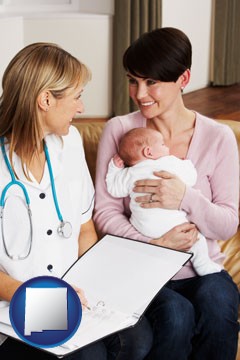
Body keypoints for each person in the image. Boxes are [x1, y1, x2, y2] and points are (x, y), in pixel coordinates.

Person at [94, 27, 240, 359]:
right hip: (142, 267)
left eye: (151, 82)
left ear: (183, 78)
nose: (140, 93)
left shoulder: (219, 138)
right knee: (174, 317)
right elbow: (105, 212)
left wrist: (184, 198)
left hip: (202, 269)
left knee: (218, 305)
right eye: (133, 80)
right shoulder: (119, 131)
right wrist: (154, 245)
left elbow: (227, 224)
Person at [0, 42, 153, 360]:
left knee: (138, 337)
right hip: (17, 301)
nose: (81, 107)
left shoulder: (68, 143)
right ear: (45, 100)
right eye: (76, 96)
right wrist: (38, 296)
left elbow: (84, 228)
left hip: (73, 290)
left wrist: (95, 287)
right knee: (88, 355)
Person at [106, 127, 221, 277]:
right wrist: (186, 163)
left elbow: (114, 189)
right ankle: (203, 266)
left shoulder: (129, 173)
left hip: (143, 229)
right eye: (162, 144)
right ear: (149, 152)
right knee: (197, 239)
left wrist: (114, 168)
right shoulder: (169, 163)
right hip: (175, 226)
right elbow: (191, 178)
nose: (167, 147)